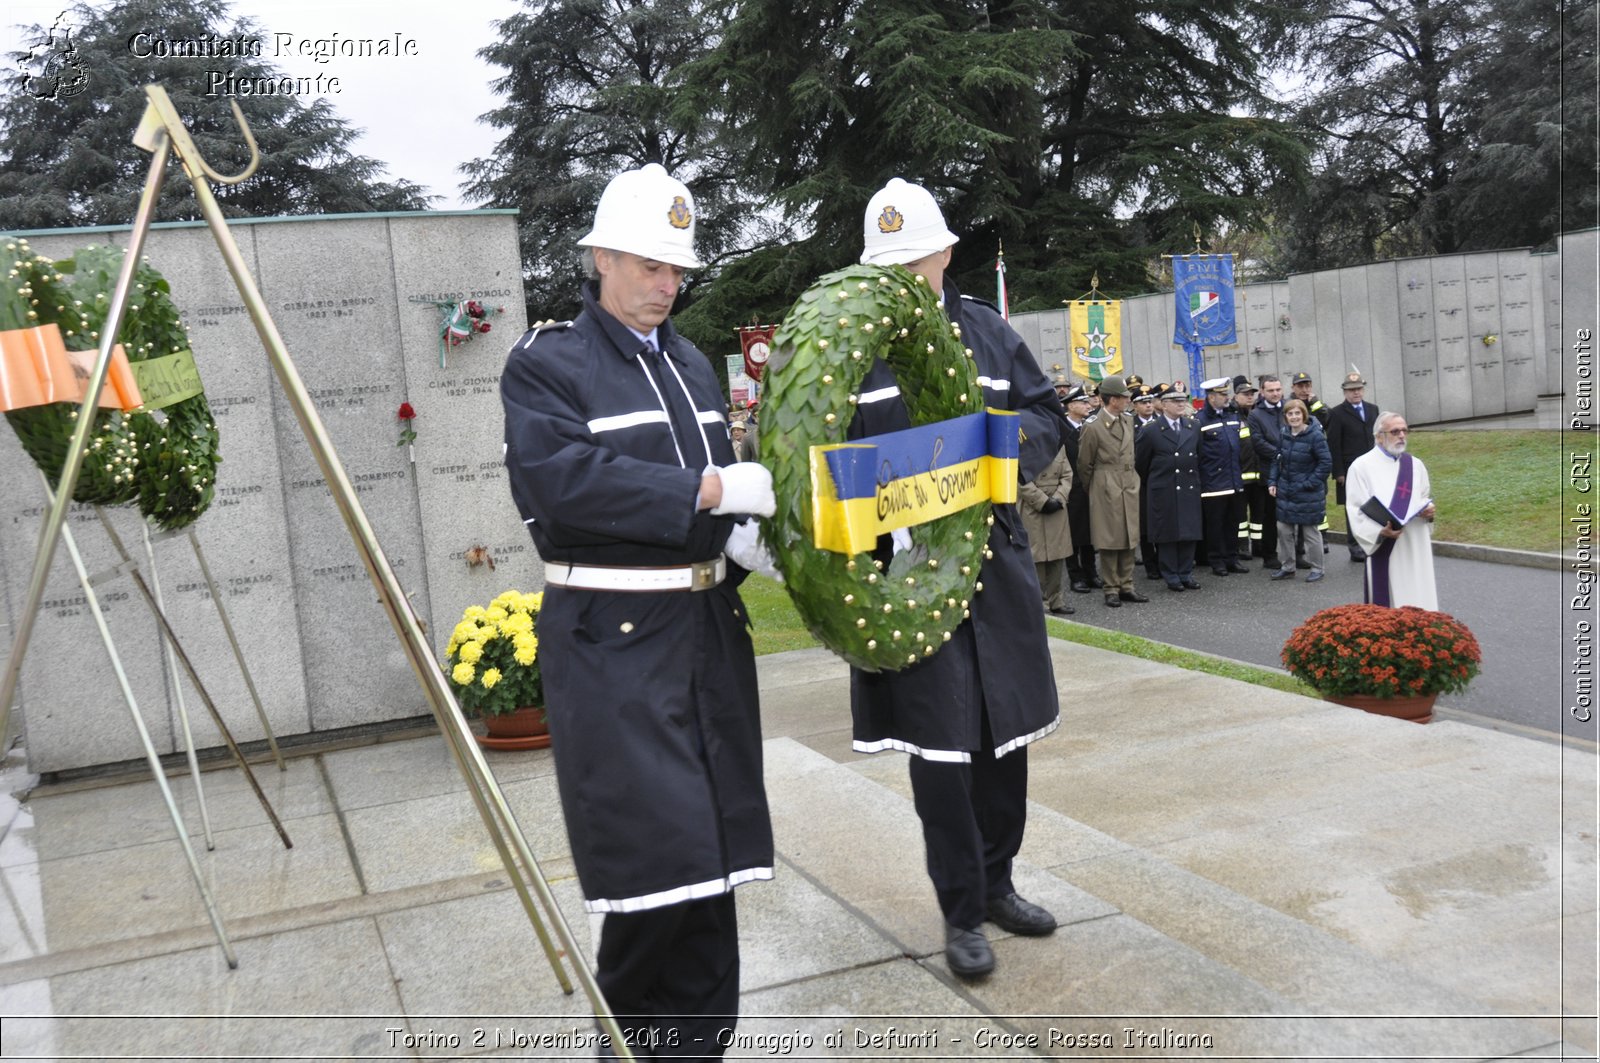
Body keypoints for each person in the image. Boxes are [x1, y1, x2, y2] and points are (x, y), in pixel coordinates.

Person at [500, 163, 775, 1057]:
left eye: (677, 270)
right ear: (601, 257)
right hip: (614, 647)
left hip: (703, 637)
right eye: (651, 266)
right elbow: (566, 483)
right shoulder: (549, 364)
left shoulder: (692, 362)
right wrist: (706, 489)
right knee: (653, 877)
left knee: (714, 868)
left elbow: (714, 501)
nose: (668, 285)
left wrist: (739, 543)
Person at [847, 177, 1062, 981]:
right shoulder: (854, 350)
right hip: (907, 576)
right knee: (940, 751)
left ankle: (1000, 879)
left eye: (916, 260)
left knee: (1003, 740)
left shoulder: (992, 336)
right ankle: (961, 908)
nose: (907, 277)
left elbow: (1048, 417)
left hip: (994, 568)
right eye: (889, 265)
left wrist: (989, 458)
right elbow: (824, 460)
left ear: (945, 252)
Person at [1346, 411, 1438, 609]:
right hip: (1386, 544)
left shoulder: (1415, 465)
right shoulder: (1361, 467)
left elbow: (1423, 497)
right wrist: (1378, 531)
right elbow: (1355, 509)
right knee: (1390, 602)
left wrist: (1428, 512)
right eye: (1395, 431)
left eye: (1404, 430)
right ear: (1379, 436)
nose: (1402, 435)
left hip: (1416, 543)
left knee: (1420, 593)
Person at [1077, 375, 1145, 607]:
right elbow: (1084, 464)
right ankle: (1111, 588)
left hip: (1128, 481)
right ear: (1112, 400)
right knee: (1110, 539)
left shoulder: (1127, 421)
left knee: (1129, 536)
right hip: (1106, 484)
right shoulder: (1093, 426)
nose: (1128, 400)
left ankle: (1127, 585)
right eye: (1124, 397)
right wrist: (1096, 488)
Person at [1135, 384, 1203, 591]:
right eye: (1175, 401)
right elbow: (1141, 464)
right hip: (1164, 488)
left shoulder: (1193, 426)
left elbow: (1198, 457)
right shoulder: (1151, 431)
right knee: (1168, 533)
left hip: (1188, 486)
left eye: (1183, 400)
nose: (1181, 404)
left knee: (1189, 532)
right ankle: (1171, 574)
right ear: (1164, 405)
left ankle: (1185, 572)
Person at [1267, 399, 1332, 583]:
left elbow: (1325, 463)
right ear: (1285, 417)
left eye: (1297, 413)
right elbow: (1276, 459)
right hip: (1286, 491)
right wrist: (1272, 481)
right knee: (1283, 530)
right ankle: (1288, 567)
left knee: (1310, 532)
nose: (1294, 417)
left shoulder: (1315, 435)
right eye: (1290, 414)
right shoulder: (1284, 433)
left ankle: (1317, 568)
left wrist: (1308, 483)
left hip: (1308, 492)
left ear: (1303, 415)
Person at [1195, 377, 1249, 576]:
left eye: (1226, 394)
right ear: (1211, 397)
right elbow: (1198, 452)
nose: (1227, 397)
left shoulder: (1232, 416)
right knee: (1215, 525)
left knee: (1233, 522)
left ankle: (1232, 558)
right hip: (1213, 482)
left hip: (1234, 479)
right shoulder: (1200, 420)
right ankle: (1216, 560)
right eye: (1222, 394)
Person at [1325, 372, 1377, 563]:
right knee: (1354, 507)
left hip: (1371, 468)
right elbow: (1333, 444)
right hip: (1349, 469)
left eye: (1359, 389)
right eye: (1352, 390)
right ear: (1345, 392)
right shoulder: (1337, 413)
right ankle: (1355, 546)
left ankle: (1371, 541)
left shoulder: (1373, 409)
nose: (1356, 393)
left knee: (1373, 505)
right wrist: (1338, 471)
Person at [1021, 438, 1075, 616]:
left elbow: (1067, 475)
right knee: (1037, 557)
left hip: (1057, 507)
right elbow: (1020, 480)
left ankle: (1056, 600)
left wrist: (1059, 498)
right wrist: (1042, 502)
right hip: (1033, 507)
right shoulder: (1024, 446)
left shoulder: (1059, 445)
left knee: (1057, 556)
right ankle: (1039, 602)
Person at [1061, 385, 1100, 594]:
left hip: (1091, 486)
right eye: (1083, 402)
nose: (1088, 405)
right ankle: (1075, 575)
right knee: (1073, 534)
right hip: (1072, 489)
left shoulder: (1090, 426)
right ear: (1071, 405)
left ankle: (1091, 572)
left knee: (1091, 532)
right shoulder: (1061, 430)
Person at [1248, 374, 1289, 570]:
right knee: (1270, 516)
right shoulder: (1255, 414)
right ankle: (1270, 555)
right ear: (1262, 392)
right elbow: (1258, 442)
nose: (1275, 394)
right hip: (1270, 471)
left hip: (1293, 470)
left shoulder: (1290, 408)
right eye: (1271, 390)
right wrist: (1281, 454)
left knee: (1294, 513)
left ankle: (1297, 553)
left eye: (1278, 389)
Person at [1230, 377, 1267, 562]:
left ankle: (1258, 546)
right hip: (1240, 475)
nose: (1249, 397)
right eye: (1245, 394)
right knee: (1240, 515)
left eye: (1252, 394)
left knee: (1258, 514)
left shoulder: (1259, 414)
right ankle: (1242, 545)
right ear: (1236, 396)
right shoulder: (1232, 416)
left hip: (1259, 475)